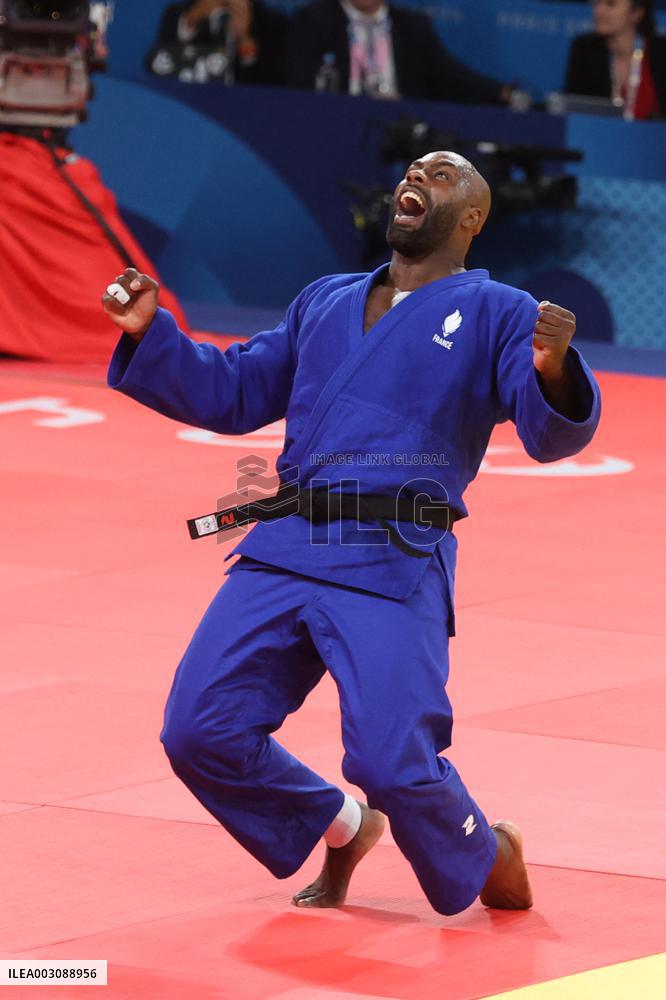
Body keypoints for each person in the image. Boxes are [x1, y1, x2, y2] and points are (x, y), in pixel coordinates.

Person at [101, 150, 601, 916]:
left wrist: (554, 368)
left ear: (471, 218)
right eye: (413, 170)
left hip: (394, 556)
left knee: (391, 763)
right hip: (286, 544)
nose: (416, 178)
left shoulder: (500, 310)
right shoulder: (325, 299)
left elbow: (548, 433)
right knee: (199, 732)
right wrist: (150, 334)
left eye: (441, 175)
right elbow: (236, 390)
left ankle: (487, 849)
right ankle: (340, 824)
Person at [286, 0, 515, 104]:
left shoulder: (412, 26)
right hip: (336, 121)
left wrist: (501, 93)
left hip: (398, 125)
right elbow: (297, 82)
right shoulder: (314, 20)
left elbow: (451, 76)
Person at [565, 0, 666, 119]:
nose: (598, 11)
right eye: (597, 3)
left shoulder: (661, 52)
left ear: (636, 13)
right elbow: (575, 109)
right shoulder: (585, 50)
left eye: (610, 4)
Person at [148, 0, 288, 85]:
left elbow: (273, 88)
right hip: (186, 107)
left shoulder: (272, 23)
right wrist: (192, 21)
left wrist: (243, 42)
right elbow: (158, 66)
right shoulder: (179, 14)